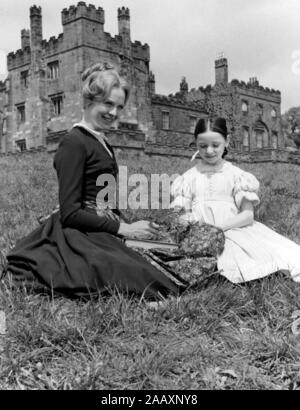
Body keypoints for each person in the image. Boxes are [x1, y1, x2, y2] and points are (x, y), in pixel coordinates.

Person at [4, 62, 187, 299]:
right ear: (89, 100)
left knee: (171, 250)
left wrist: (129, 227)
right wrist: (125, 229)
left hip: (105, 225)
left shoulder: (101, 141)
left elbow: (106, 200)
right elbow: (70, 212)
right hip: (81, 229)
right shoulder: (74, 143)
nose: (114, 113)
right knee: (146, 277)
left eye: (119, 107)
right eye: (108, 103)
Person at [171, 117, 300, 283]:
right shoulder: (188, 178)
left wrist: (217, 229)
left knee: (265, 256)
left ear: (227, 141)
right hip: (199, 233)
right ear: (195, 143)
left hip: (233, 228)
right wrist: (193, 228)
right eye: (203, 146)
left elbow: (247, 216)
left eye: (215, 145)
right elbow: (179, 214)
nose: (209, 151)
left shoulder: (237, 175)